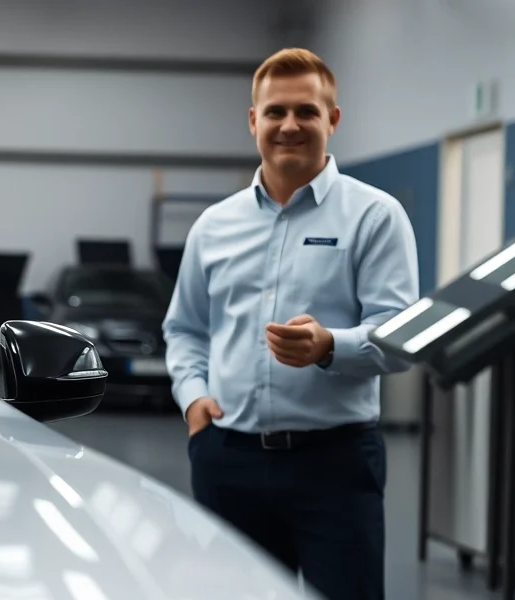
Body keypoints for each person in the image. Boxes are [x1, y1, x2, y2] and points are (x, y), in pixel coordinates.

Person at [162, 47, 419, 600]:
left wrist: (331, 346)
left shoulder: (374, 216)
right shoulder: (213, 227)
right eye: (275, 112)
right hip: (227, 459)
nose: (290, 125)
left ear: (333, 119)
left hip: (335, 466)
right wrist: (193, 399)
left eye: (306, 111)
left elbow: (401, 335)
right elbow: (184, 329)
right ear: (254, 121)